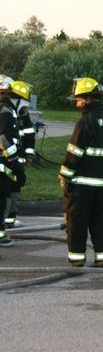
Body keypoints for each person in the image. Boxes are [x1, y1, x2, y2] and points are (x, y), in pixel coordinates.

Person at [59, 77, 103, 268]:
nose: (76, 103)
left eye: (78, 99)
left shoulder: (86, 122)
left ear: (87, 99)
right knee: (100, 222)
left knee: (77, 223)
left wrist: (65, 176)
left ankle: (76, 261)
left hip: (81, 186)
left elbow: (74, 154)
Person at [4, 80, 36, 229]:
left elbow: (29, 138)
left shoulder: (21, 115)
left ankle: (10, 220)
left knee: (15, 187)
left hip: (16, 161)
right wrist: (14, 159)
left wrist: (29, 156)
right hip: (8, 160)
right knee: (5, 190)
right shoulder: (5, 113)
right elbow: (4, 139)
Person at [0, 75, 26, 247]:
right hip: (3, 164)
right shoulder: (5, 112)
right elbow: (3, 139)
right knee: (1, 199)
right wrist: (16, 162)